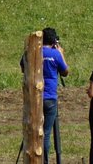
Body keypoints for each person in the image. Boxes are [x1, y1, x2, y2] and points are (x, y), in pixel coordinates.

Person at [30, 27, 70, 164]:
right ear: (54, 41)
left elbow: (23, 66)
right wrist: (61, 53)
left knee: (34, 131)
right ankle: (44, 160)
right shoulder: (55, 54)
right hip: (50, 97)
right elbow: (65, 72)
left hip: (35, 96)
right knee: (46, 133)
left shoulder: (34, 51)